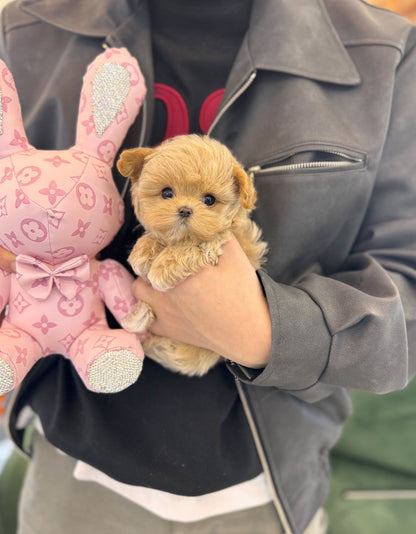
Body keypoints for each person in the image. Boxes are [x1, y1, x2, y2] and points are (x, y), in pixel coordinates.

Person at [0, 1, 416, 533]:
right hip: (73, 469)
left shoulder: (386, 52)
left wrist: (268, 331)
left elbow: (405, 305)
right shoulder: (31, 26)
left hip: (265, 488)